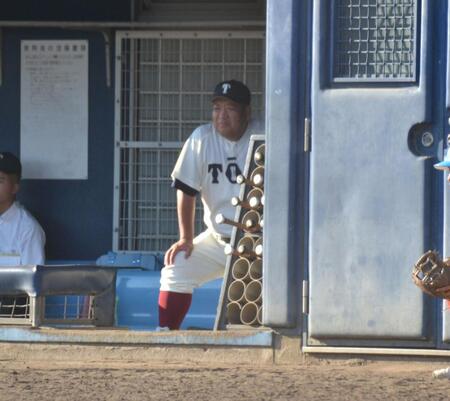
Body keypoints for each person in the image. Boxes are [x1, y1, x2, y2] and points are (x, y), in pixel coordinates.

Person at [158, 80, 263, 330]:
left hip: (260, 243)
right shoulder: (202, 139)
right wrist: (186, 238)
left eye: (230, 108)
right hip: (219, 240)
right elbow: (185, 189)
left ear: (246, 112)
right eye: (217, 107)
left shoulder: (265, 133)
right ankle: (166, 338)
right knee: (177, 267)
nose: (221, 115)